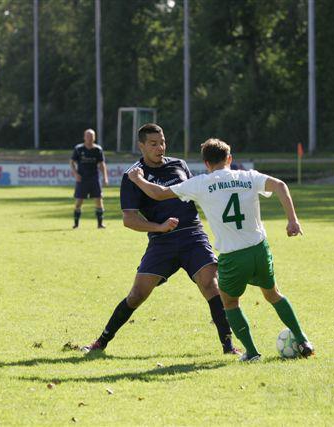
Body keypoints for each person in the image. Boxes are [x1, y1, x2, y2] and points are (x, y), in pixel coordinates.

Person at [128, 138, 314, 361]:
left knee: (229, 302)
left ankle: (252, 353)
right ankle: (303, 339)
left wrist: (138, 179)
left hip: (233, 256)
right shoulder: (248, 177)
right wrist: (292, 220)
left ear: (206, 163)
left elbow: (158, 193)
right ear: (230, 159)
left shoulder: (201, 183)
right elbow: (281, 186)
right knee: (273, 294)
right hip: (259, 250)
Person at [82, 124, 239, 355]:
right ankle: (101, 342)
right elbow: (129, 219)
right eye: (154, 144)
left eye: (162, 142)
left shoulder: (179, 165)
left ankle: (228, 346)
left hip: (193, 235)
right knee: (137, 295)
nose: (160, 148)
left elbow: (197, 192)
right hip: (161, 242)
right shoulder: (133, 176)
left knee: (211, 285)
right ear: (141, 146)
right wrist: (158, 227)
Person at [69, 129, 109, 228]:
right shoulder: (79, 149)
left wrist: (105, 177)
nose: (89, 138)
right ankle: (76, 224)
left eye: (91, 136)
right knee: (79, 202)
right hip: (82, 179)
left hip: (94, 179)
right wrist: (75, 174)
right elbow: (72, 162)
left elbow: (102, 164)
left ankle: (100, 224)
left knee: (99, 201)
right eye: (88, 136)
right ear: (84, 137)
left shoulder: (97, 149)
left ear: (94, 138)